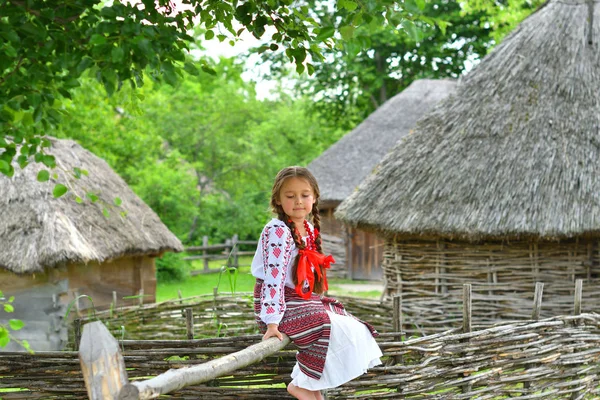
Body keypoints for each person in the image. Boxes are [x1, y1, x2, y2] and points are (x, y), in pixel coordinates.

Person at [251, 166, 382, 400]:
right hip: (275, 305)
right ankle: (302, 384)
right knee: (322, 321)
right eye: (290, 196)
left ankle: (312, 390)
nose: (298, 201)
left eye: (304, 195)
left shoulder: (309, 230)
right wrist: (271, 323)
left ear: (314, 198)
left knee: (349, 322)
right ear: (279, 201)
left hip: (300, 298)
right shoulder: (277, 231)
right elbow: (274, 279)